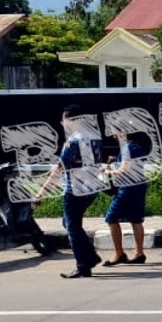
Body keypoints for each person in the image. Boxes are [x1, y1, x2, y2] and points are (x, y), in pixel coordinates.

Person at [43, 105, 104, 279]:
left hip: (74, 190)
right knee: (70, 223)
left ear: (72, 120)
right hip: (91, 188)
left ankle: (83, 265)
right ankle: (91, 256)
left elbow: (60, 169)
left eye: (64, 120)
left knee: (72, 227)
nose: (62, 124)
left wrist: (41, 192)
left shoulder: (73, 141)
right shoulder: (94, 138)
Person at [102, 121, 148, 266]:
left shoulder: (127, 147)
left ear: (123, 132)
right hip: (139, 185)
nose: (114, 136)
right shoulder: (135, 146)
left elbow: (124, 169)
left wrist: (107, 171)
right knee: (136, 219)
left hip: (127, 187)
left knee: (111, 218)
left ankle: (119, 253)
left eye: (115, 132)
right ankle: (139, 253)